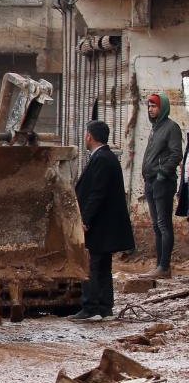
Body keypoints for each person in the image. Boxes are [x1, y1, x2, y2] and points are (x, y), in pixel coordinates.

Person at [72, 120, 135, 321]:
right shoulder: (106, 157)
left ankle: (91, 308)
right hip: (104, 225)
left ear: (89, 136)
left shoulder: (101, 159)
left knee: (91, 264)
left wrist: (85, 220)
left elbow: (97, 193)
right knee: (103, 266)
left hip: (99, 225)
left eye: (86, 134)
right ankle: (105, 308)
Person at [141, 92, 182, 279]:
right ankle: (159, 266)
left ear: (162, 107)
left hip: (163, 182)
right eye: (149, 106)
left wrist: (162, 174)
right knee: (157, 226)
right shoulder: (155, 128)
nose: (150, 109)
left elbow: (176, 154)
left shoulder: (171, 127)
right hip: (150, 181)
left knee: (164, 225)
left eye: (154, 106)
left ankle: (164, 267)